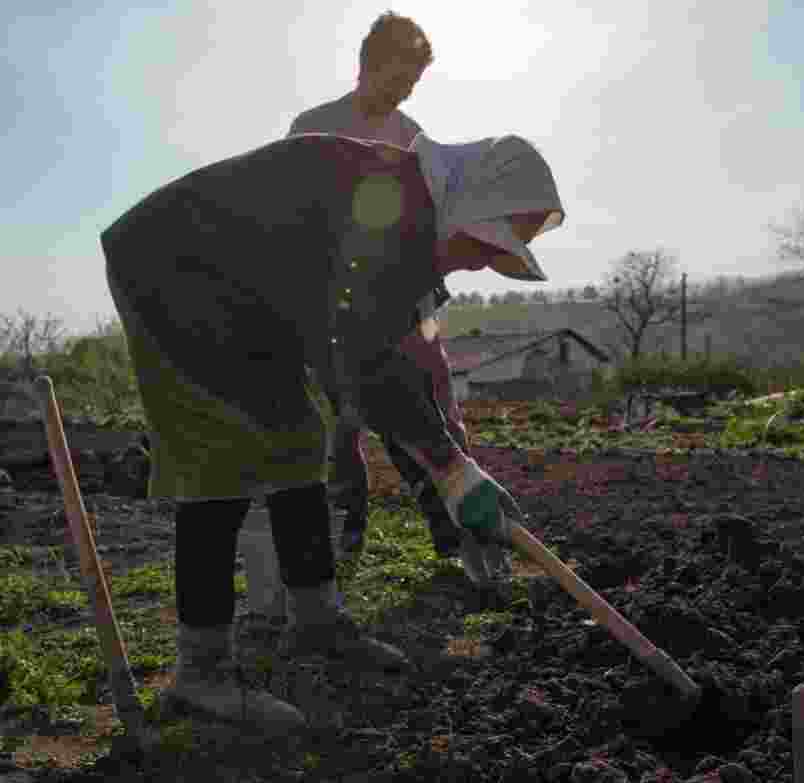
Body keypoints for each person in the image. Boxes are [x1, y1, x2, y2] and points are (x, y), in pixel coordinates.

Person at [100, 130, 565, 733]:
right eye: (481, 247)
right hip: (172, 268)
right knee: (219, 452)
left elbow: (391, 362)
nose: (479, 263)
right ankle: (202, 676)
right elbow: (366, 364)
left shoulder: (412, 220)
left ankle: (317, 623)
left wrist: (455, 467)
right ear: (466, 205)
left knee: (298, 436)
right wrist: (450, 471)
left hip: (248, 295)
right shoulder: (387, 206)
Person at [288, 11, 469, 566]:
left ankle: (459, 535)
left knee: (438, 414)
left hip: (411, 304)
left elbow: (430, 223)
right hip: (334, 307)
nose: (405, 90)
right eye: (398, 77)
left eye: (414, 83)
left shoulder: (414, 138)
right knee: (342, 425)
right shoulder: (312, 129)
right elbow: (291, 218)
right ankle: (348, 533)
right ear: (367, 62)